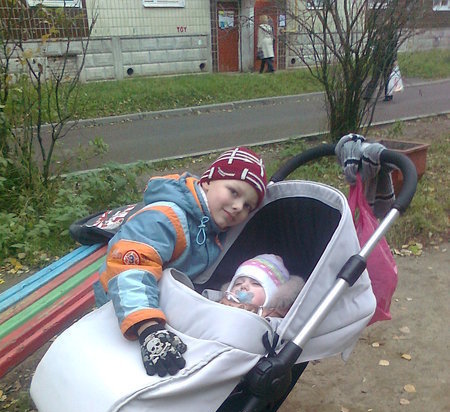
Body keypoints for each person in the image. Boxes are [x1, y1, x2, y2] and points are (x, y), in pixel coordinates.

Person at [98, 147, 267, 378]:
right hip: (122, 305)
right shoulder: (165, 218)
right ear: (208, 181)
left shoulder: (211, 228)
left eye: (248, 206)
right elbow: (130, 270)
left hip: (163, 301)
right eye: (234, 192)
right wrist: (148, 327)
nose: (239, 207)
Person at [219, 254, 305, 318]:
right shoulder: (218, 304)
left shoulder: (275, 323)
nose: (243, 286)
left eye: (255, 283)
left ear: (272, 296)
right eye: (238, 283)